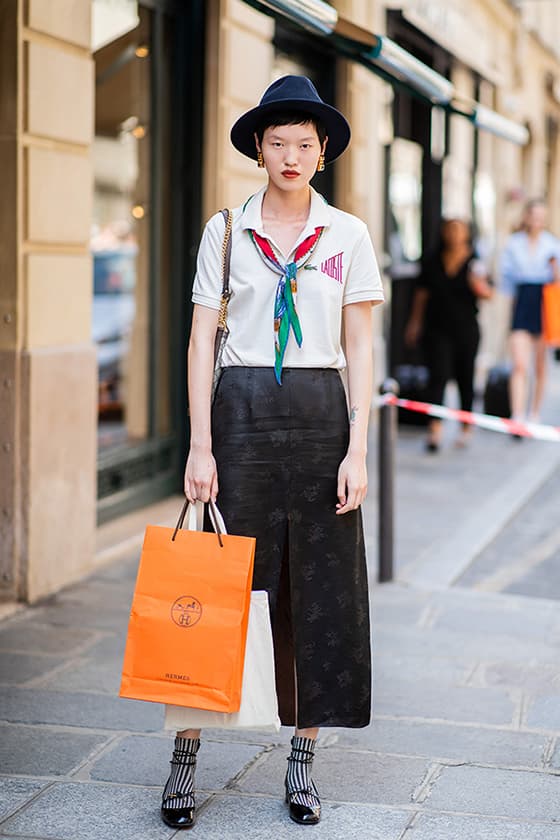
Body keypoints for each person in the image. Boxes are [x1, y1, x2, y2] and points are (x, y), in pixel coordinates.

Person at [160, 75, 384, 830]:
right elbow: (198, 342)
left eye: (305, 143)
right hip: (241, 415)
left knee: (320, 593)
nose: (291, 155)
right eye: (278, 142)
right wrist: (199, 443)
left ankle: (302, 762)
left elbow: (359, 346)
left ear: (323, 154)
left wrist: (358, 449)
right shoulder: (225, 231)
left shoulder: (348, 235)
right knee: (213, 588)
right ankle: (185, 758)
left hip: (322, 418)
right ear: (258, 148)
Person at [405, 219, 493, 452]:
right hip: (437, 329)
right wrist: (414, 324)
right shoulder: (433, 260)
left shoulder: (475, 262)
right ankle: (435, 428)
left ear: (466, 234)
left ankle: (466, 426)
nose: (454, 234)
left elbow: (488, 293)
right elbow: (421, 295)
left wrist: (478, 285)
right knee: (438, 377)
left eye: (459, 230)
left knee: (466, 377)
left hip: (466, 329)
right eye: (450, 229)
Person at [500, 199, 560, 425]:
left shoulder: (553, 245)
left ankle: (534, 412)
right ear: (526, 217)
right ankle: (517, 413)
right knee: (520, 364)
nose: (537, 221)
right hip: (522, 300)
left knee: (540, 365)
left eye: (541, 217)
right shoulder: (514, 244)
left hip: (544, 302)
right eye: (534, 216)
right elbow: (507, 283)